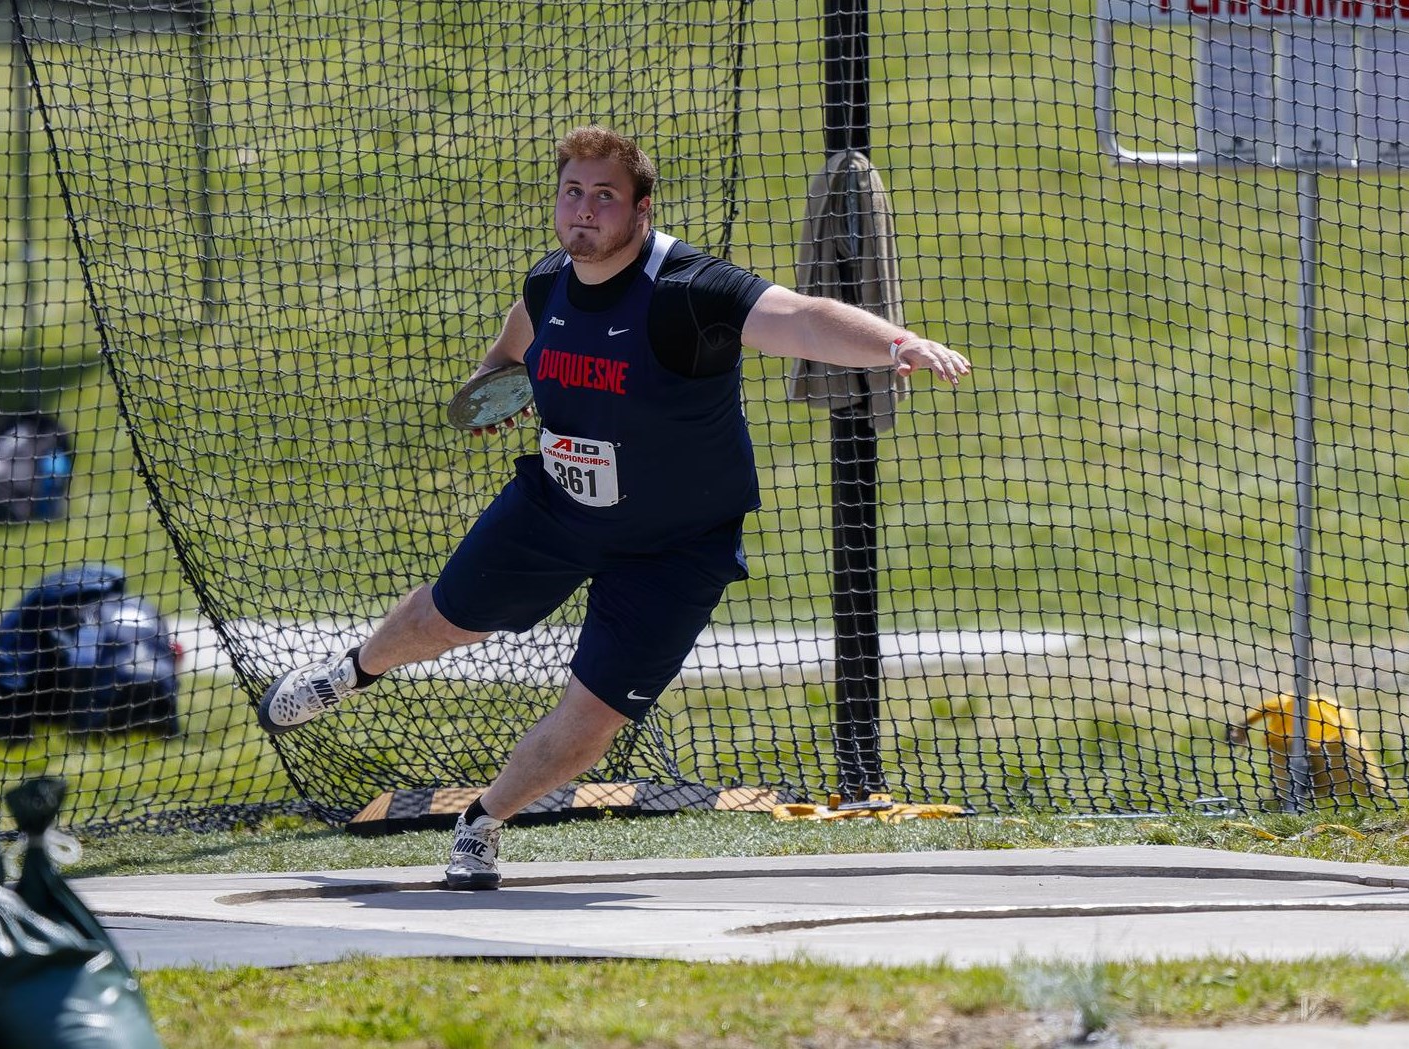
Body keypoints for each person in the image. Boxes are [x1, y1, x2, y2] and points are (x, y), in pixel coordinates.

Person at [258, 126, 972, 890]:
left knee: (593, 715)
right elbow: (509, 351)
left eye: (605, 197)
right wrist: (495, 385)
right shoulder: (547, 282)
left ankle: (482, 824)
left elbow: (797, 316)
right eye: (573, 193)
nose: (585, 211)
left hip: (676, 545)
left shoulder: (690, 290)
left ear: (640, 209)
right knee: (446, 616)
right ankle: (348, 673)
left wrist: (894, 342)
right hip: (557, 508)